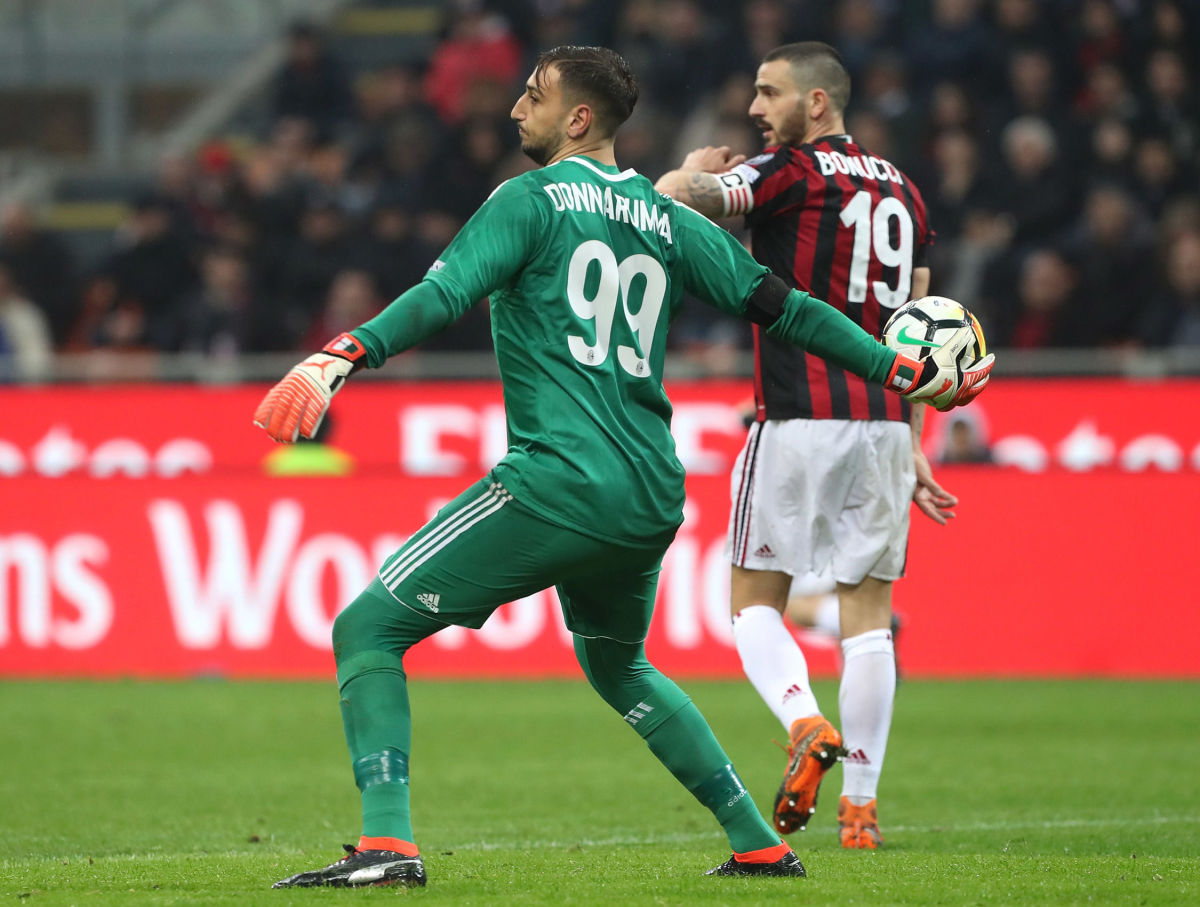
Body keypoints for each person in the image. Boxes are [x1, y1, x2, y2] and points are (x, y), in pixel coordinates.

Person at [254, 45, 991, 890]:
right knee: (618, 663)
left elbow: (444, 295)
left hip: (557, 480)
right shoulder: (667, 219)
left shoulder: (527, 200)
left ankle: (387, 844)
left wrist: (343, 352)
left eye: (533, 96)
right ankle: (758, 843)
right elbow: (787, 308)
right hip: (647, 494)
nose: (514, 110)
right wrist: (893, 366)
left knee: (367, 628)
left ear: (577, 118)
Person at [655, 41, 971, 850]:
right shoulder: (905, 191)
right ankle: (861, 810)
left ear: (817, 102)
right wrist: (916, 441)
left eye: (769, 92)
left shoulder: (788, 171)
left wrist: (688, 170)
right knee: (869, 620)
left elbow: (675, 201)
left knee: (752, 604)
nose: (755, 109)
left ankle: (804, 720)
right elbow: (918, 323)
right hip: (885, 426)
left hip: (797, 416)